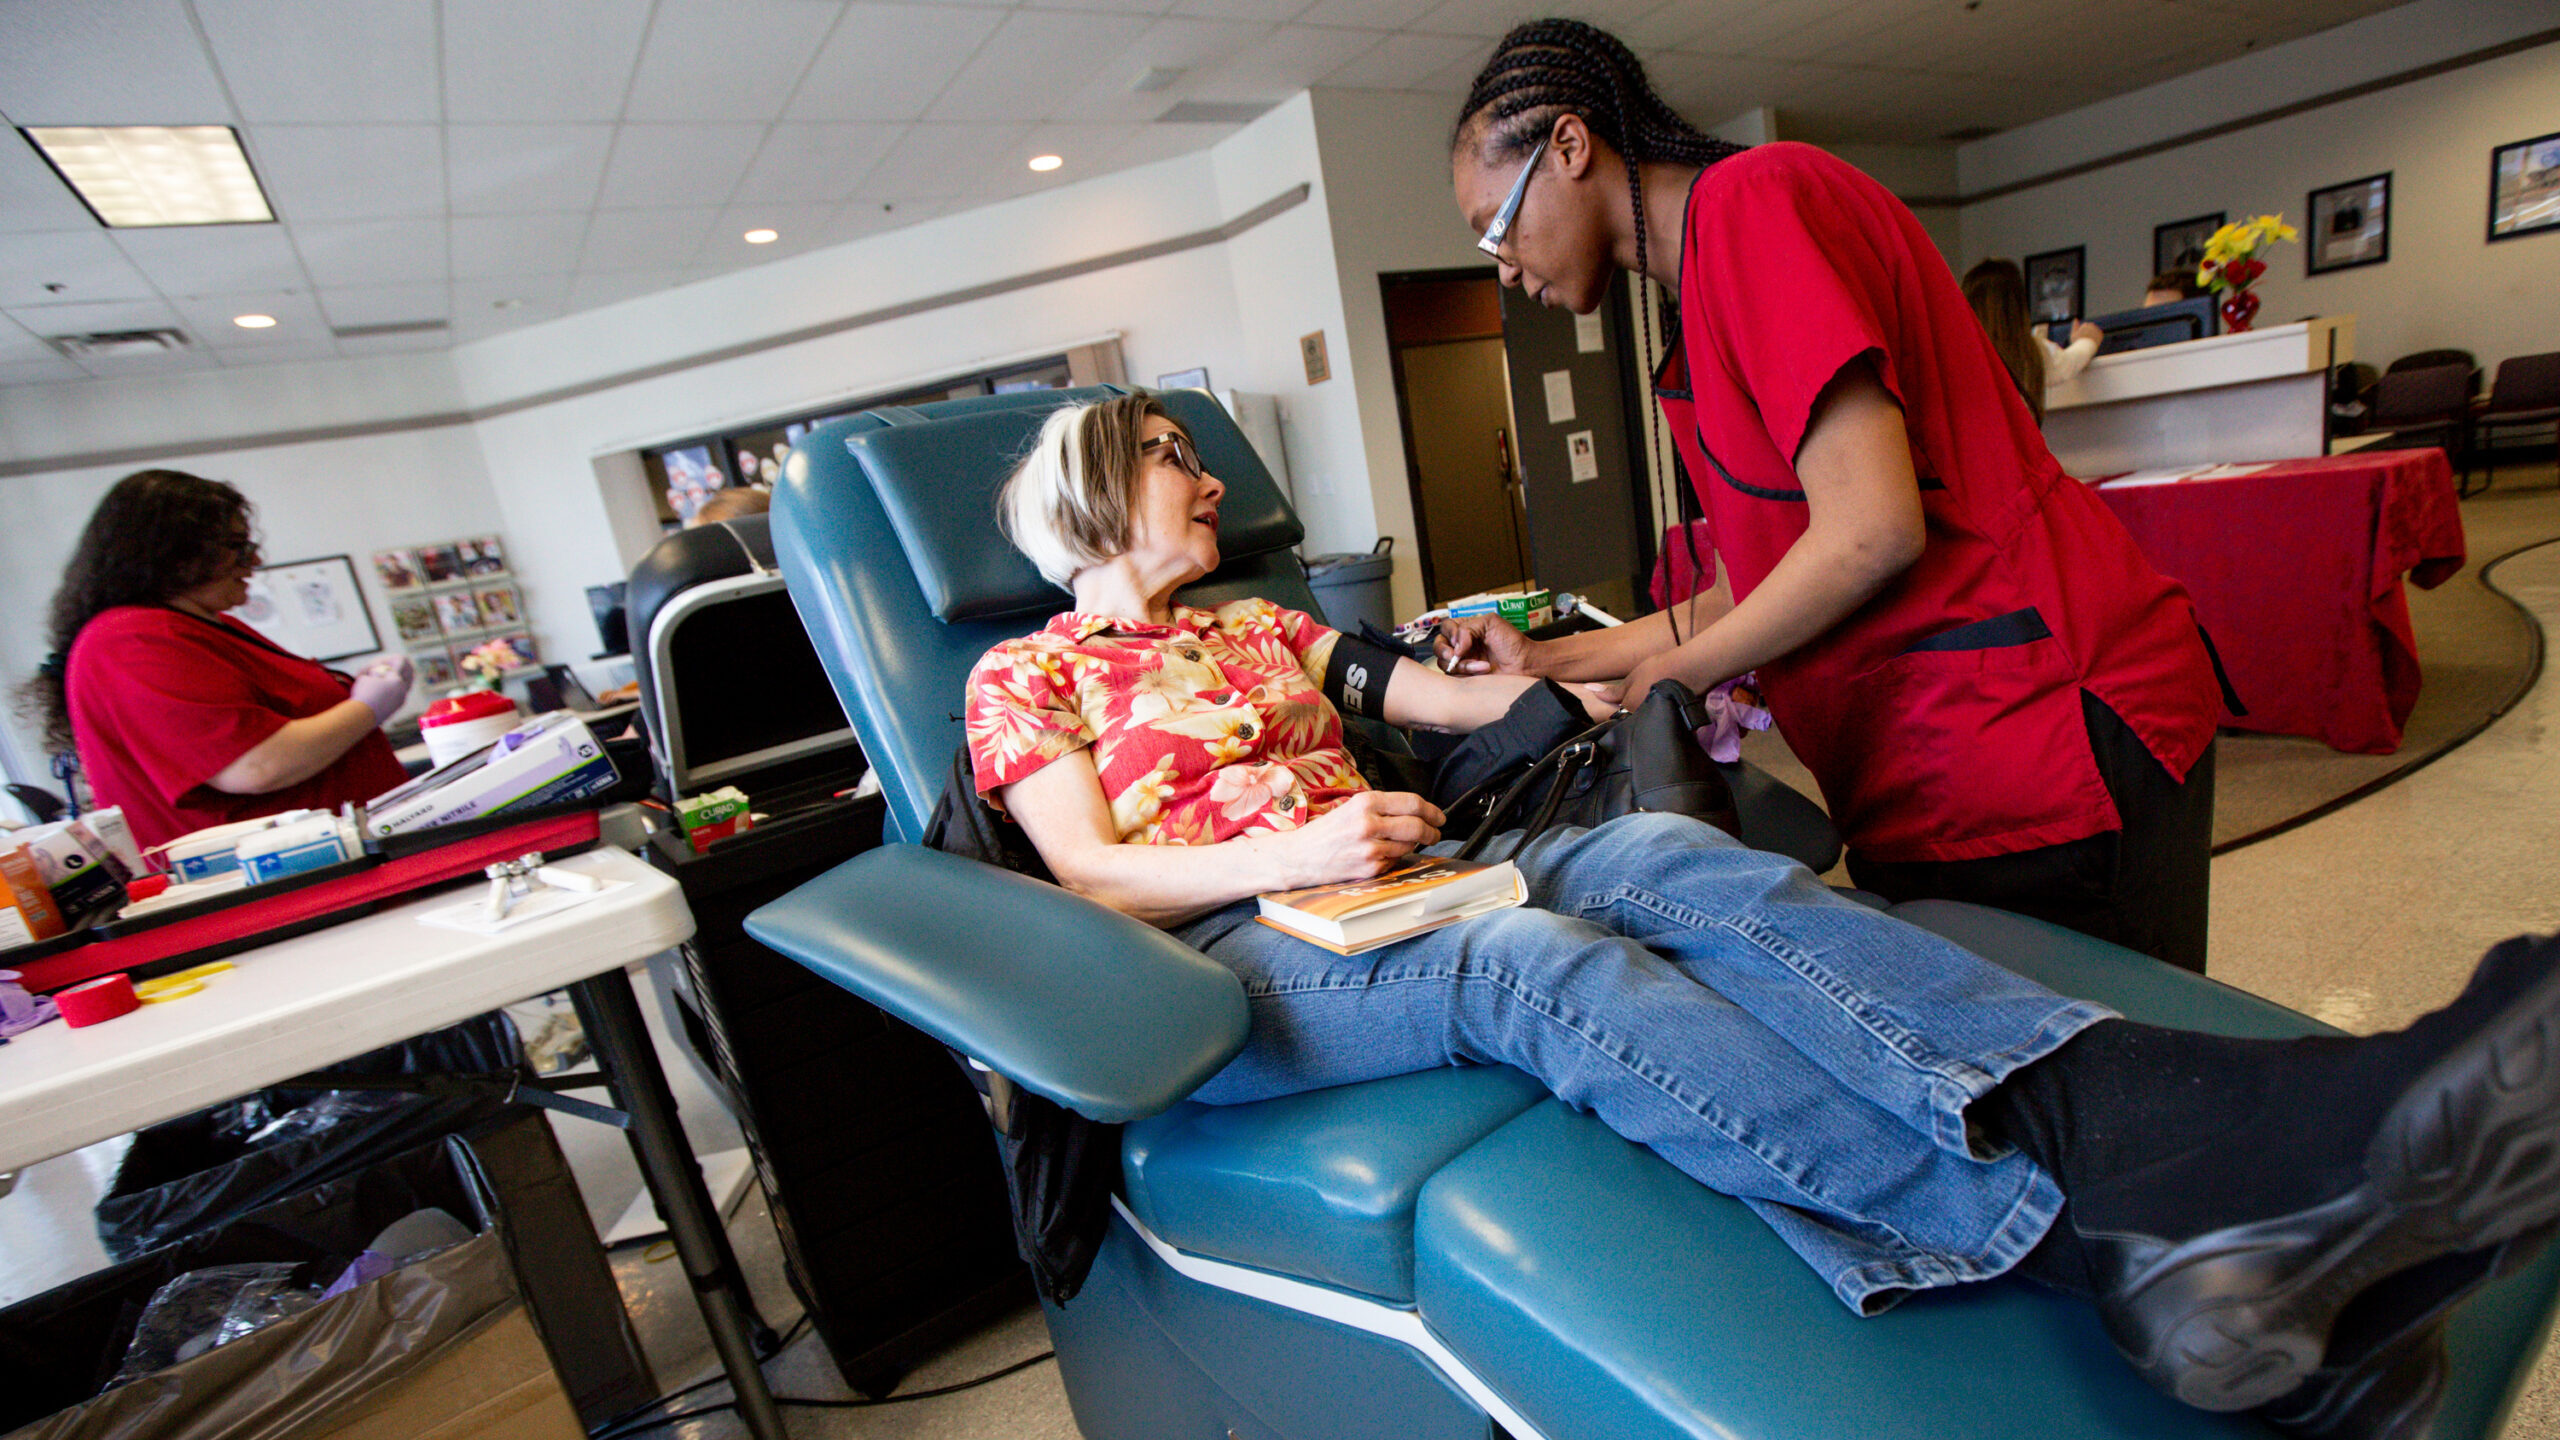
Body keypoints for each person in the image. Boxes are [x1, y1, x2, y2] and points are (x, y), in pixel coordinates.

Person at [967, 394, 2557, 1436]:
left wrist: (1576, 653)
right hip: (1242, 965)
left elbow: (1445, 701)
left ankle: (2164, 1126)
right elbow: (1090, 872)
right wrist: (1286, 850)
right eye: (1172, 448)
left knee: (1665, 862)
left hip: (1400, 881)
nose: (1205, 471)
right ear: (1104, 492)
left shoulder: (1257, 628)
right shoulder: (1023, 675)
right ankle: (2101, 1239)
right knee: (1535, 965)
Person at [1439, 21, 2226, 972]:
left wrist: (1667, 680)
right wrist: (1552, 657)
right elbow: (1757, 586)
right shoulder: (1701, 300)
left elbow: (1871, 531)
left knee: (2109, 1079)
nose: (1506, 270)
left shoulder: (1752, 205)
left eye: (1498, 227)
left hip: (2044, 718)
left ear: (1570, 146)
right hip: (1929, 755)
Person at [27, 470, 414, 851]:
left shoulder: (204, 626)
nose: (255, 560)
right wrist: (368, 707)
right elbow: (256, 765)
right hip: (286, 879)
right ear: (173, 555)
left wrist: (351, 694)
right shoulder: (131, 639)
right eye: (237, 546)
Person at [1962, 257, 2104, 419]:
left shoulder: (1957, 359)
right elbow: (2070, 361)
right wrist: (2087, 339)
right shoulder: (2031, 352)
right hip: (2017, 443)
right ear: (2018, 307)